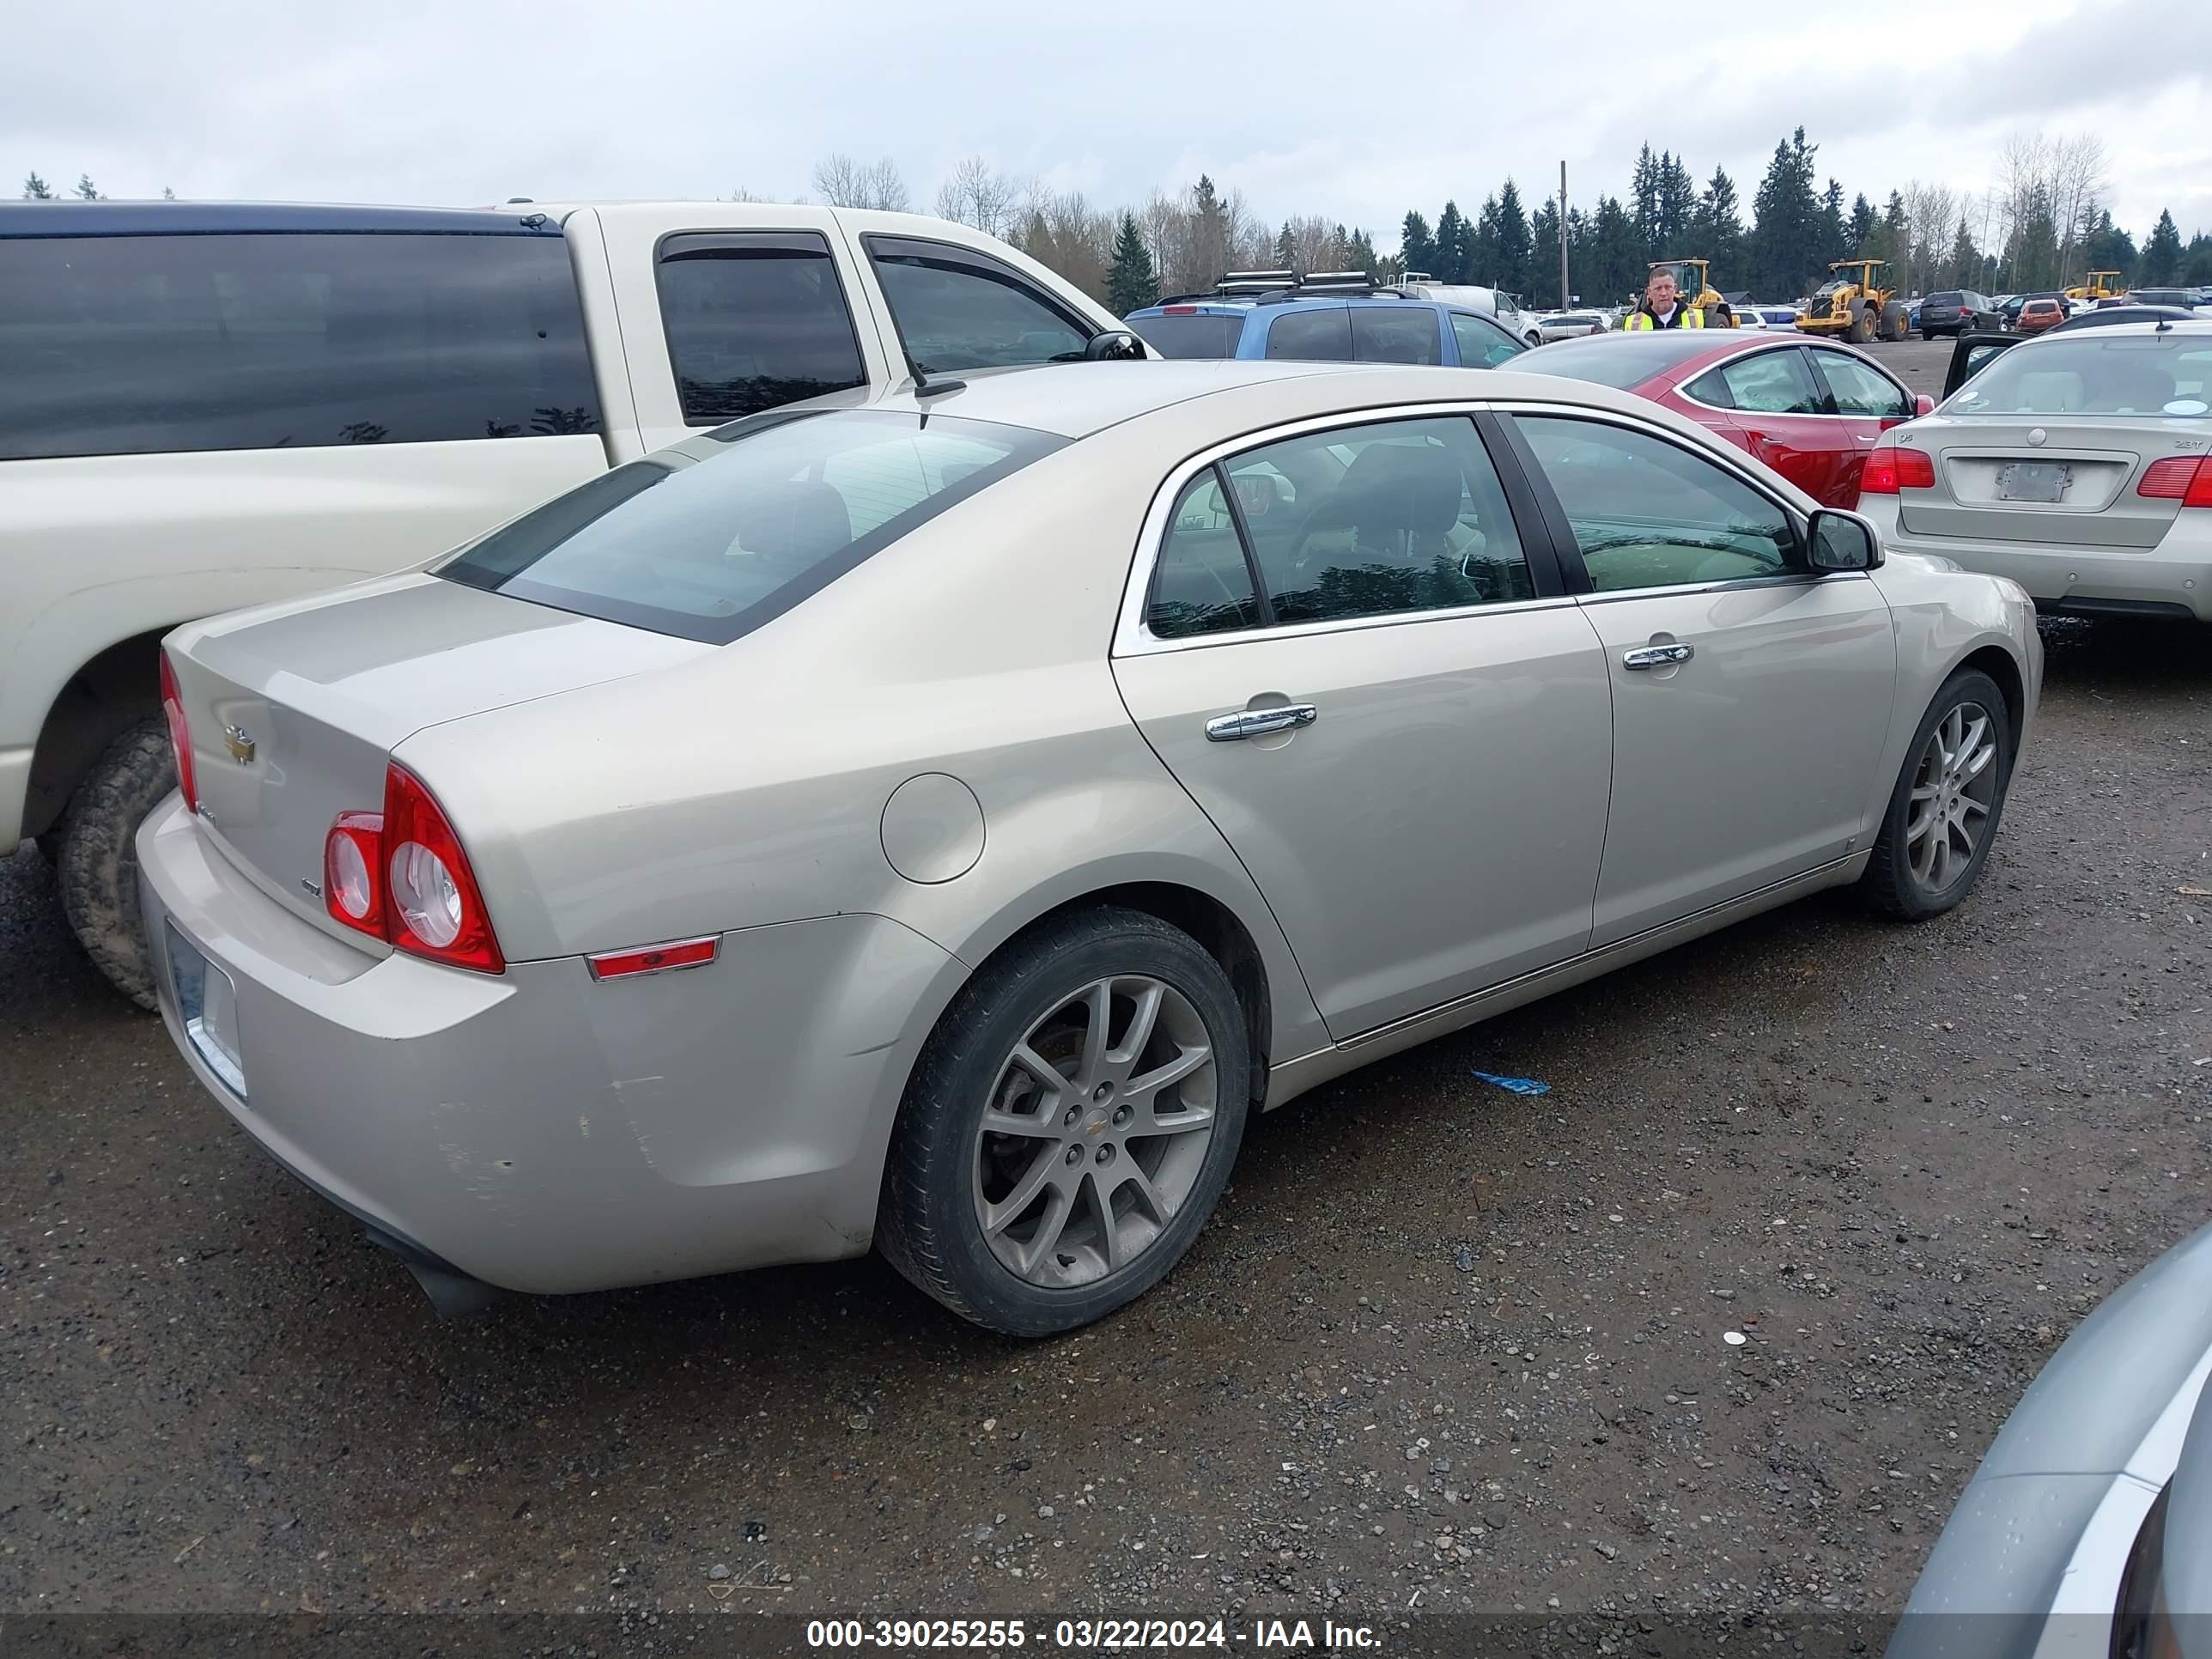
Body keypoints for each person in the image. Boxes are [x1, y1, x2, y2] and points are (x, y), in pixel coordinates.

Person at [1622, 269, 1705, 331]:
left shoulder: (1696, 317)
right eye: (1658, 289)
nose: (1664, 293)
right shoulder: (1633, 322)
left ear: (1675, 289)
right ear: (1649, 292)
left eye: (1668, 287)